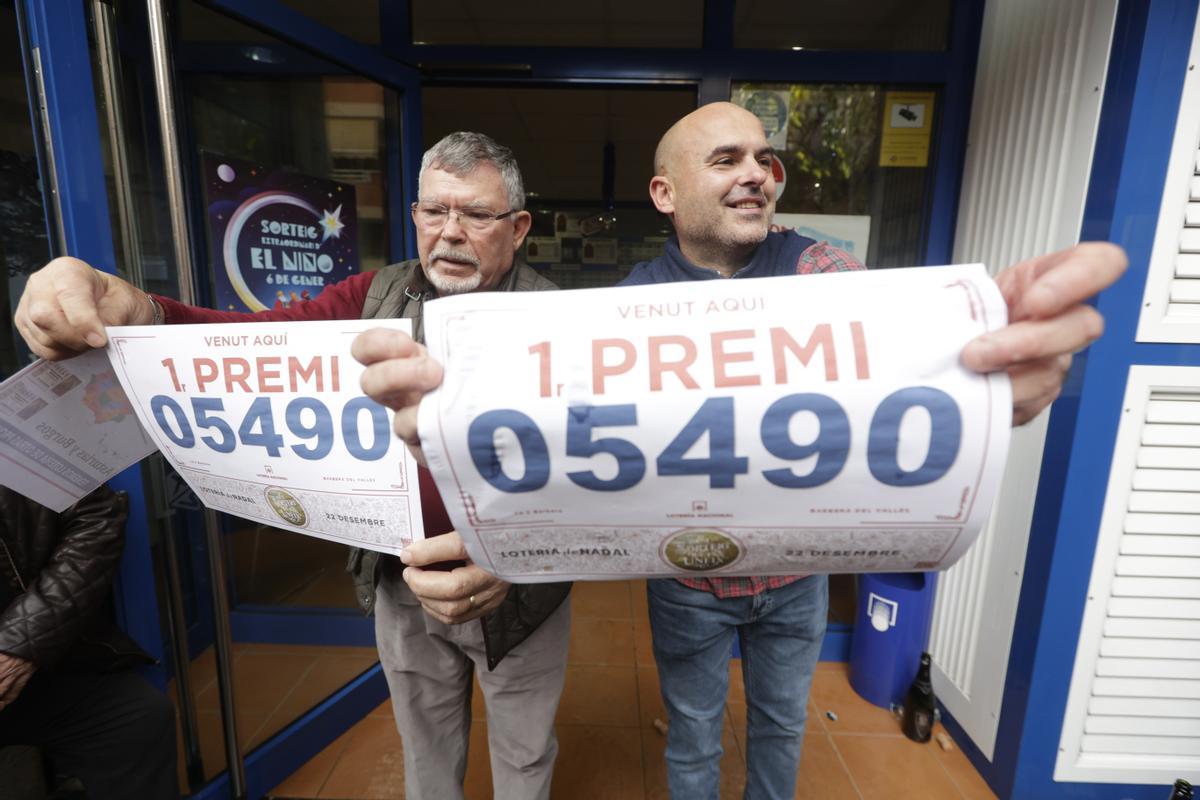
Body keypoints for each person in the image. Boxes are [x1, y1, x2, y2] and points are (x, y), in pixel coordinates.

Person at [348, 102, 1126, 800]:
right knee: (690, 735)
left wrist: (979, 375)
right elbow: (578, 453)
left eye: (764, 160)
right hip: (688, 578)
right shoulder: (628, 307)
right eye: (726, 160)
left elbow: (892, 349)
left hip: (796, 582)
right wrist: (502, 526)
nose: (756, 174)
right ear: (666, 194)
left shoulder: (820, 272)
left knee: (782, 730)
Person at [13, 131, 572, 800]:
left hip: (520, 594)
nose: (449, 233)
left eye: (476, 215)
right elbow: (251, 346)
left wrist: (516, 548)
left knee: (524, 753)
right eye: (433, 211)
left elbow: (591, 478)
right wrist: (142, 311)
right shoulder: (374, 293)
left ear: (518, 227)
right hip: (398, 580)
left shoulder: (562, 322)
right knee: (425, 748)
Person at [0, 485, 178, 799]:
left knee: (138, 717)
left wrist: (19, 645)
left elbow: (97, 515)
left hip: (19, 661)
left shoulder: (15, 441)